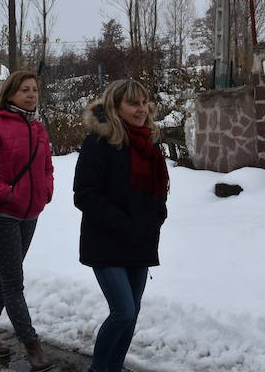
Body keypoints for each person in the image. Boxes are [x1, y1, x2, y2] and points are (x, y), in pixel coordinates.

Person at [73, 79, 169, 372]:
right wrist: (125, 224)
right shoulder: (98, 143)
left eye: (143, 102)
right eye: (133, 103)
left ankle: (113, 366)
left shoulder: (148, 143)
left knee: (133, 312)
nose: (141, 109)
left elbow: (157, 191)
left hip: (140, 240)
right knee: (123, 311)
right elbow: (85, 195)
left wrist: (156, 217)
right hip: (106, 240)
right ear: (116, 107)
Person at [0, 70, 55, 372]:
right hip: (3, 215)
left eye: (34, 89)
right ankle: (32, 345)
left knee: (6, 274)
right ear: (9, 93)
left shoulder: (38, 127)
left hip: (31, 214)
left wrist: (46, 190)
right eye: (24, 90)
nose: (31, 94)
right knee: (14, 281)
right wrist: (7, 194)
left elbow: (46, 165)